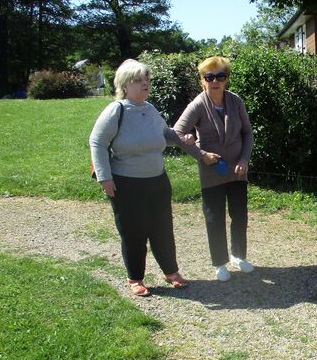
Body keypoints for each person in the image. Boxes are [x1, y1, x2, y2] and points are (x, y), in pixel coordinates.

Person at [89, 58, 193, 297]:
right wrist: (104, 177)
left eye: (146, 79)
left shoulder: (150, 108)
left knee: (162, 228)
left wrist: (181, 139)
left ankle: (171, 272)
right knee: (133, 232)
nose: (145, 83)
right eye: (138, 80)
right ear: (125, 85)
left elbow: (163, 135)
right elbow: (97, 142)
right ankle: (135, 278)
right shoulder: (117, 110)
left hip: (157, 179)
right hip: (126, 182)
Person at [174, 56, 254, 282]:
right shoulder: (198, 104)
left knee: (239, 215)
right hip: (212, 172)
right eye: (209, 77)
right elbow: (177, 134)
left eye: (220, 76)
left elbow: (247, 133)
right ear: (202, 81)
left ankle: (239, 255)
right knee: (214, 217)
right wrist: (200, 154)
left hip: (237, 170)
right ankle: (219, 263)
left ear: (227, 78)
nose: (215, 81)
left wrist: (244, 159)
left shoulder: (236, 101)